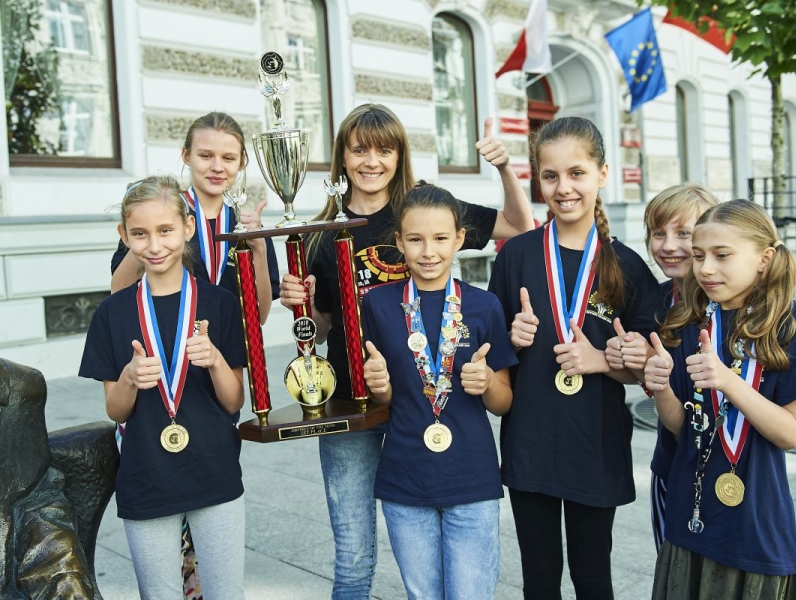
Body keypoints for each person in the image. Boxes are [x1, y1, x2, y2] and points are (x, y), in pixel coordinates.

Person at [279, 102, 533, 598]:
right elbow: (324, 327)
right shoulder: (321, 233)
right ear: (342, 156)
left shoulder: (422, 208)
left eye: (384, 150)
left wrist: (505, 166)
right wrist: (302, 306)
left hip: (425, 400)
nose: (371, 161)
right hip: (354, 400)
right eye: (359, 150)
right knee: (353, 552)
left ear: (400, 156)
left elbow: (518, 226)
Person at [487, 116, 661, 599]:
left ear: (602, 174)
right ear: (538, 179)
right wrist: (511, 340)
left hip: (595, 442)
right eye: (551, 176)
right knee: (539, 580)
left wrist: (604, 359)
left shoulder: (626, 265)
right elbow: (488, 351)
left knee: (593, 577)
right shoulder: (516, 256)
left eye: (577, 173)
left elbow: (650, 365)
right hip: (532, 441)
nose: (563, 188)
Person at [643, 199, 796, 599]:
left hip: (755, 521)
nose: (706, 269)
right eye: (699, 256)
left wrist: (729, 381)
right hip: (691, 514)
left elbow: (791, 433)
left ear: (764, 258)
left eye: (722, 255)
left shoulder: (795, 323)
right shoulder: (688, 322)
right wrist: (661, 387)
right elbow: (682, 427)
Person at [79, 176, 247, 599]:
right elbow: (116, 410)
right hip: (146, 476)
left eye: (166, 230)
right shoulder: (112, 314)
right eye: (140, 234)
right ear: (124, 236)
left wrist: (215, 361)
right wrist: (130, 379)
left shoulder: (220, 304)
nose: (154, 245)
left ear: (188, 228)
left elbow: (234, 401)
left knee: (227, 593)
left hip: (215, 470)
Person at [360, 183, 517, 599]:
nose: (428, 252)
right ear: (399, 242)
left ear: (460, 239)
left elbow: (503, 402)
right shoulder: (378, 305)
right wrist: (380, 386)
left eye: (441, 238)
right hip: (405, 478)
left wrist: (487, 383)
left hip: (472, 479)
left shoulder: (484, 306)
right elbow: (386, 398)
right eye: (415, 240)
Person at [605, 182, 719, 552]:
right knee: (672, 568)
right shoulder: (655, 300)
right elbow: (651, 381)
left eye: (683, 233)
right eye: (658, 234)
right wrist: (630, 358)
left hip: (732, 466)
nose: (668, 246)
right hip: (673, 464)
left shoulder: (731, 302)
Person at [110, 111, 280, 324]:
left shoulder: (249, 228)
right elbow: (118, 291)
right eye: (206, 156)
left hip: (231, 342)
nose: (217, 167)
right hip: (171, 340)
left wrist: (260, 249)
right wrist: (153, 225)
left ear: (242, 161)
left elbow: (260, 317)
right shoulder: (159, 218)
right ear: (186, 155)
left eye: (228, 158)